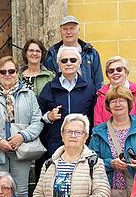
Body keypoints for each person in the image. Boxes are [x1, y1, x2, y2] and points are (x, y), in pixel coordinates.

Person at [0, 56, 43, 197]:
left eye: (11, 71)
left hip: (21, 150)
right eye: (3, 71)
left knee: (21, 194)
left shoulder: (29, 95)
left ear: (17, 73)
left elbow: (38, 121)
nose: (7, 75)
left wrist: (22, 136)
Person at [36, 45, 96, 182]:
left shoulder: (89, 88)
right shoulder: (49, 88)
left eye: (73, 60)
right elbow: (38, 114)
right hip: (55, 144)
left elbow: (93, 116)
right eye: (64, 61)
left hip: (82, 145)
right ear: (58, 64)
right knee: (56, 183)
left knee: (80, 182)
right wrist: (49, 117)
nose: (68, 63)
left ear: (79, 62)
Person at [43, 15, 104, 91]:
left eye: (72, 28)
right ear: (60, 31)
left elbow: (99, 81)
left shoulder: (91, 53)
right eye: (65, 29)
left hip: (87, 97)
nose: (68, 32)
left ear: (78, 30)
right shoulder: (52, 54)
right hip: (60, 96)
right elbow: (48, 80)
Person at [94, 56, 136, 126]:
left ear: (126, 72)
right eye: (111, 71)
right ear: (107, 75)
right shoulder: (101, 96)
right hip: (107, 136)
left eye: (119, 69)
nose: (115, 73)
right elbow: (98, 124)